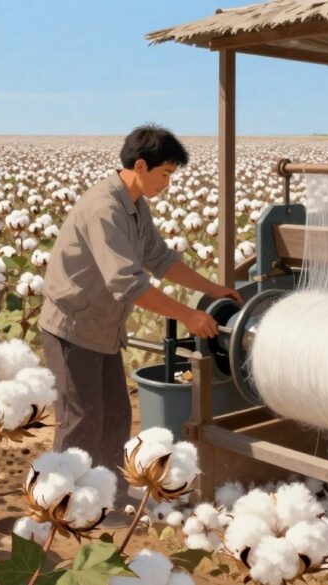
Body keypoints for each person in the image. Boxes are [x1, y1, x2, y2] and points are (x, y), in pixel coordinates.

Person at [39, 124, 241, 485]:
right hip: (73, 329)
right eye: (165, 174)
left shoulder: (134, 205)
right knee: (80, 421)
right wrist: (189, 316)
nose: (167, 183)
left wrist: (213, 289)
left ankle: (106, 500)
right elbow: (127, 284)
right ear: (142, 167)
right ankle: (62, 503)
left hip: (102, 329)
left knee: (116, 417)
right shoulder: (105, 208)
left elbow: (161, 259)